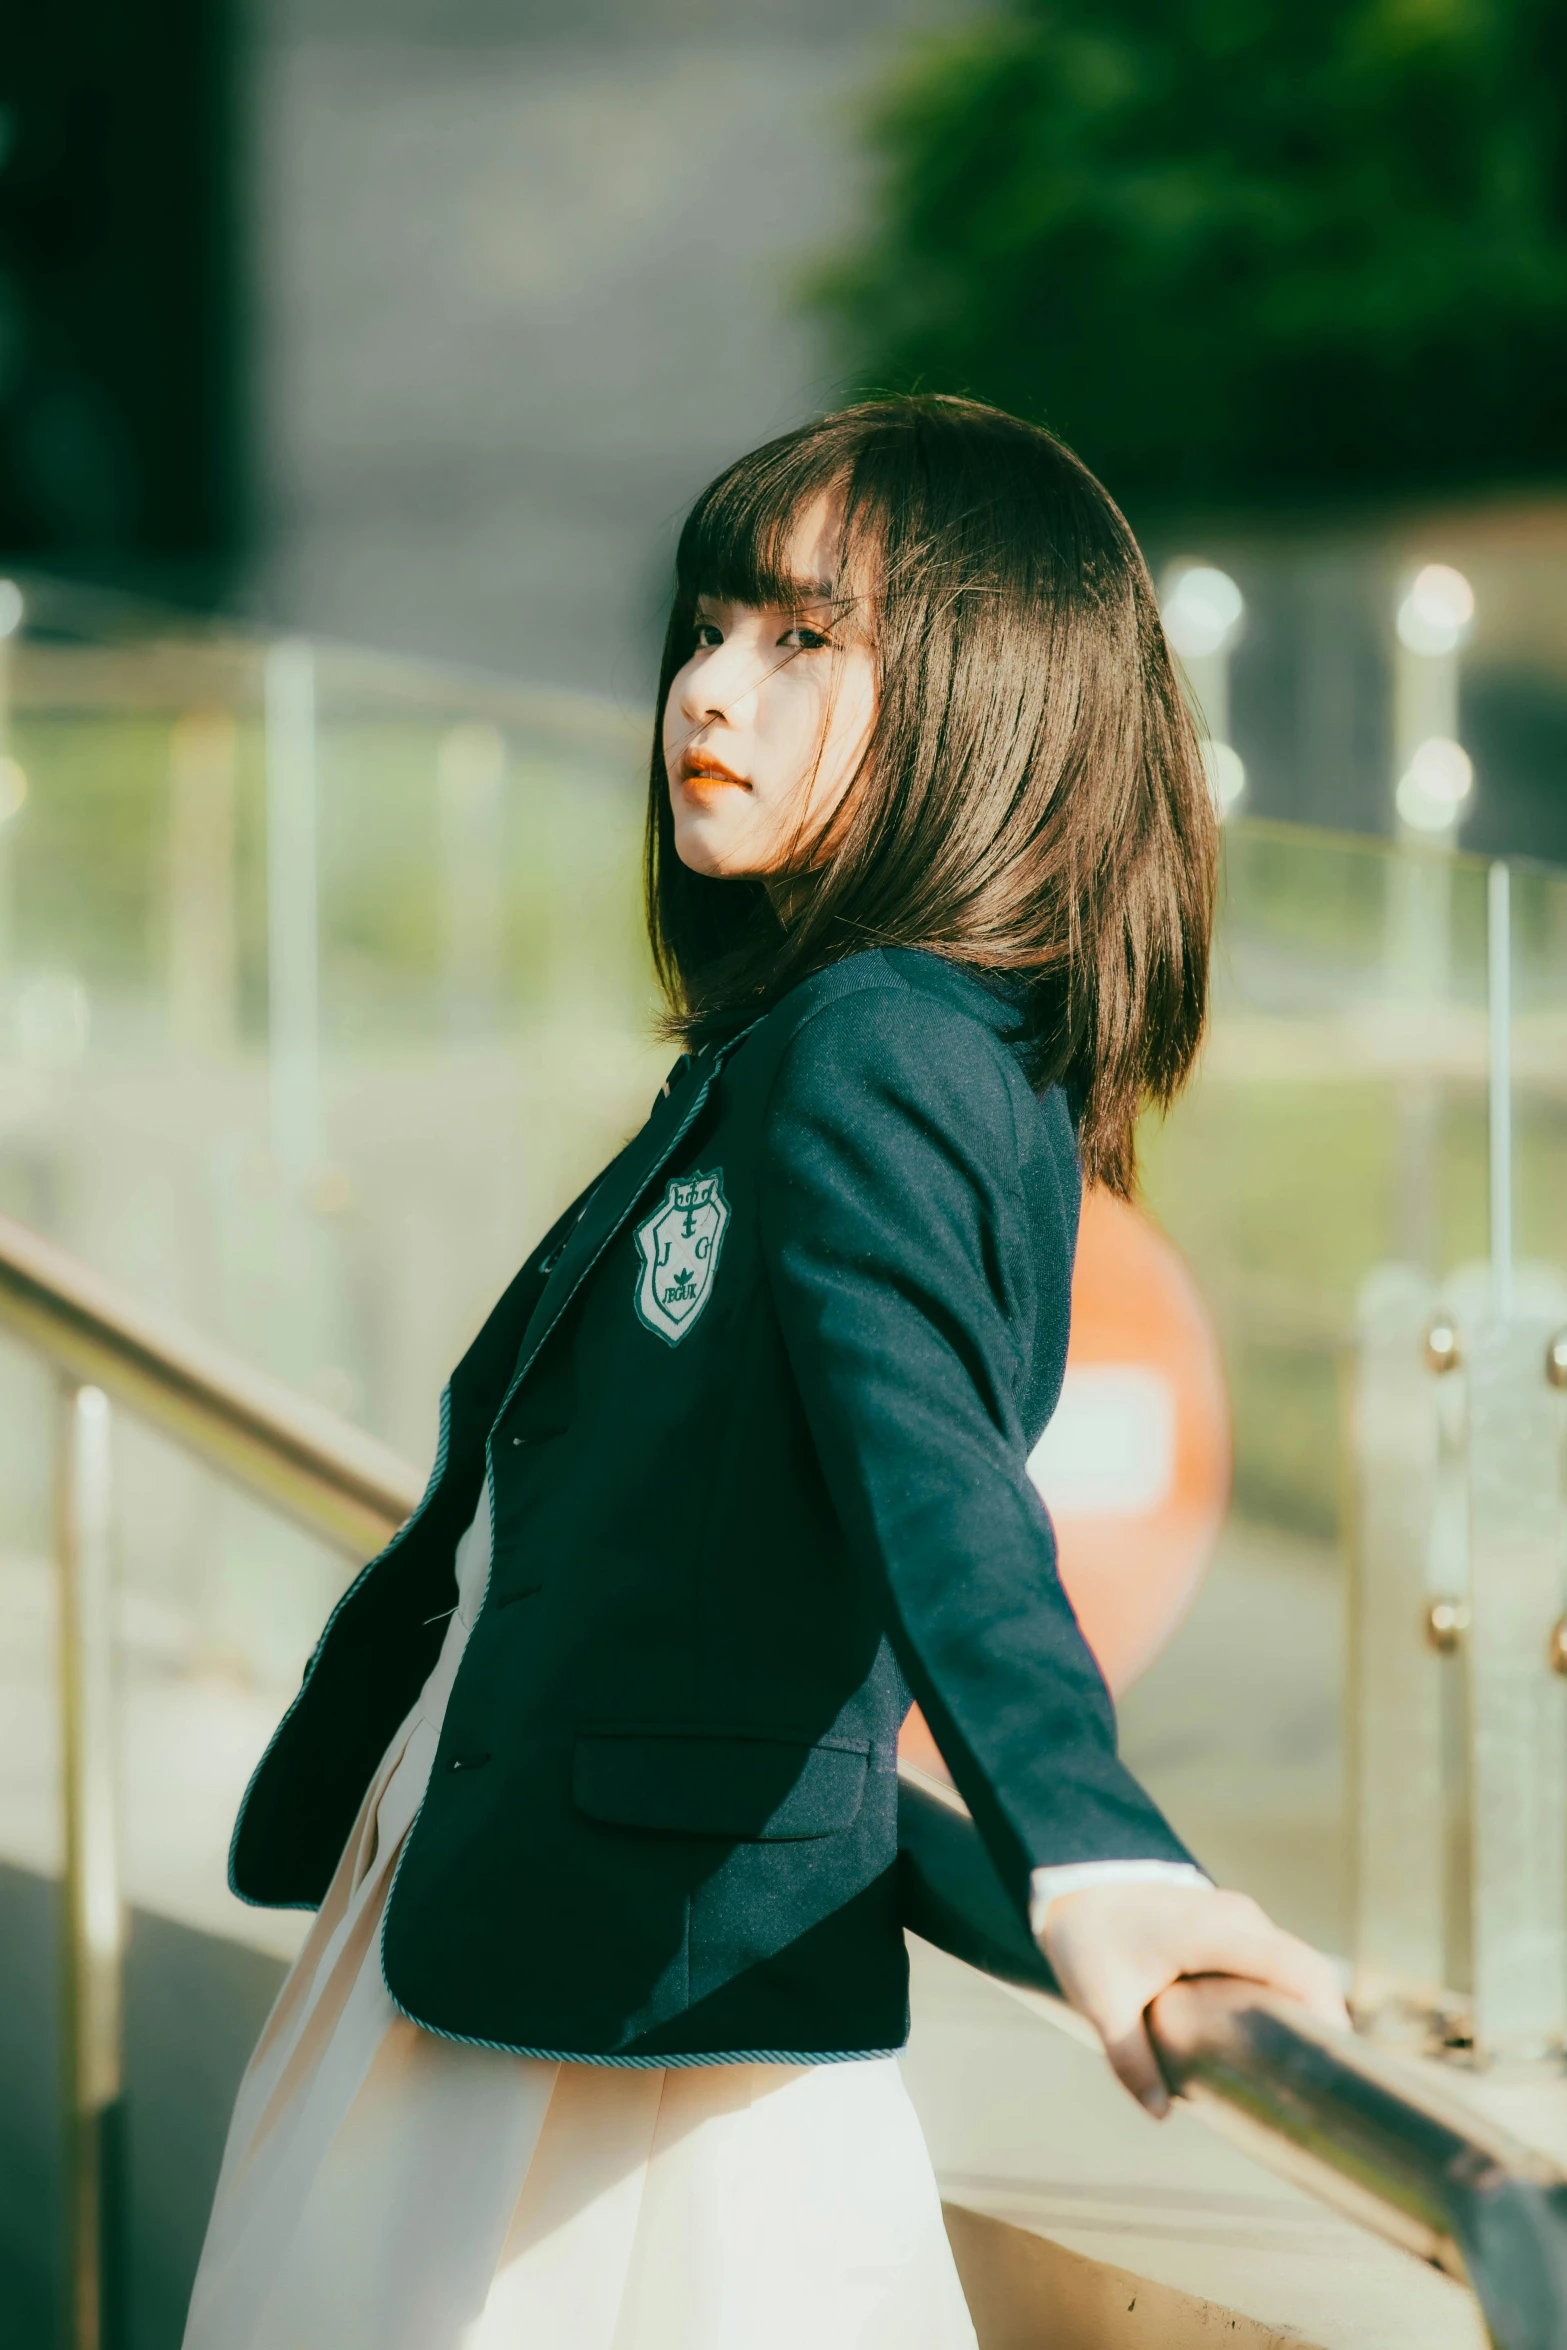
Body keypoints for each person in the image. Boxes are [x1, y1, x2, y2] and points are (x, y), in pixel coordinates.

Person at [185, 395, 1345, 2350]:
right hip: (521, 1945)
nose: (708, 687)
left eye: (803, 637)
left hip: (616, 2032)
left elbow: (935, 1477)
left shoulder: (882, 1048)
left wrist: (1099, 1850)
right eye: (708, 625)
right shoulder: (808, 1039)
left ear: (991, 695)